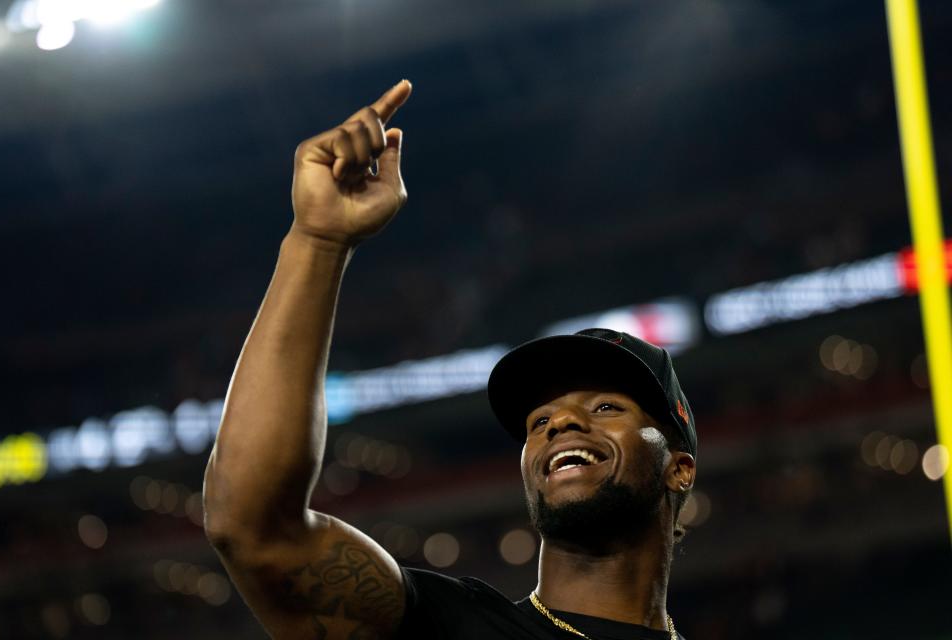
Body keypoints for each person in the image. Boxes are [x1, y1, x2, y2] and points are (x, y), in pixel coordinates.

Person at [203, 80, 698, 640]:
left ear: (679, 468)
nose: (560, 422)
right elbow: (252, 528)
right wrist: (316, 243)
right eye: (539, 422)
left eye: (607, 406)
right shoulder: (447, 626)